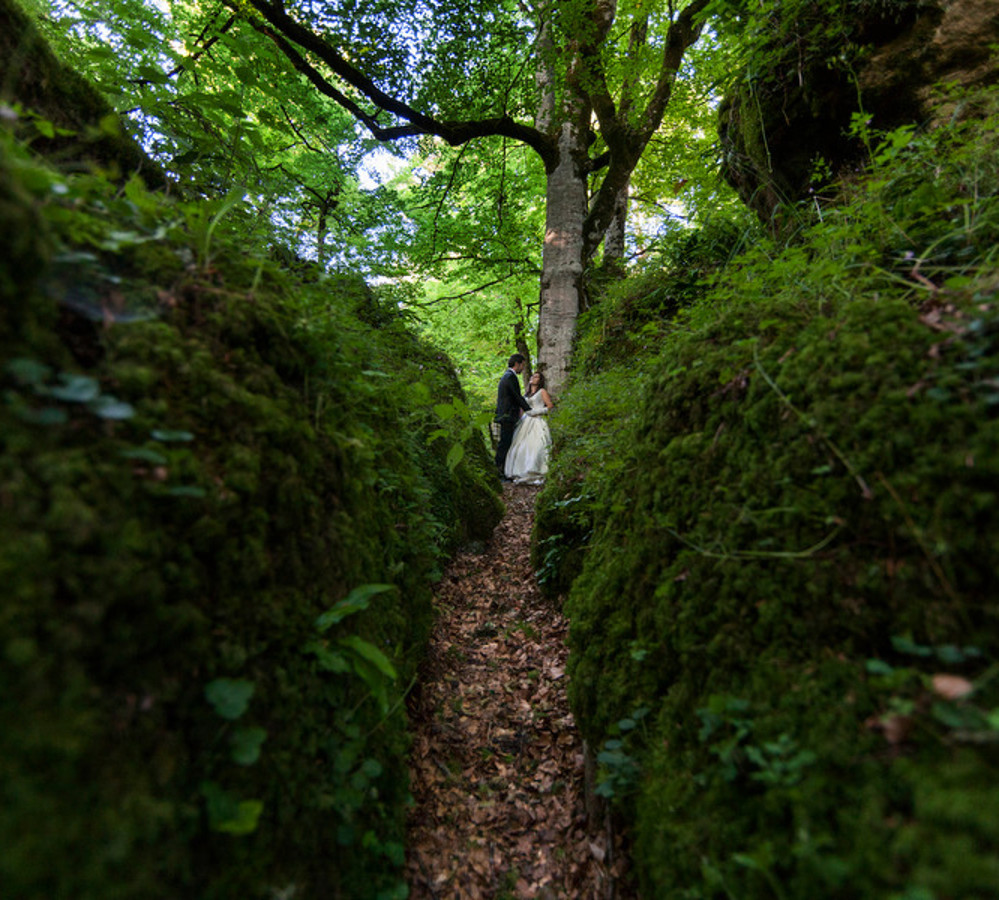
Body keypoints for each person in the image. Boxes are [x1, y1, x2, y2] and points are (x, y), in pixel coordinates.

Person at [504, 371, 554, 485]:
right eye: (532, 376)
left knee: (536, 445)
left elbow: (550, 406)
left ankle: (535, 471)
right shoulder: (525, 395)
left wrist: (536, 412)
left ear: (540, 380)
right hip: (525, 423)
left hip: (537, 421)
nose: (533, 378)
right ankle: (520, 472)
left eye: (536, 377)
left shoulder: (542, 391)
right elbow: (522, 410)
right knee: (520, 446)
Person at [494, 353, 531, 481]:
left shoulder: (507, 376)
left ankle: (502, 471)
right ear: (517, 364)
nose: (523, 368)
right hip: (507, 416)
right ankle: (498, 472)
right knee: (504, 443)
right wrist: (529, 410)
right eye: (523, 365)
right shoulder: (510, 377)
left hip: (507, 415)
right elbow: (516, 396)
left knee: (506, 443)